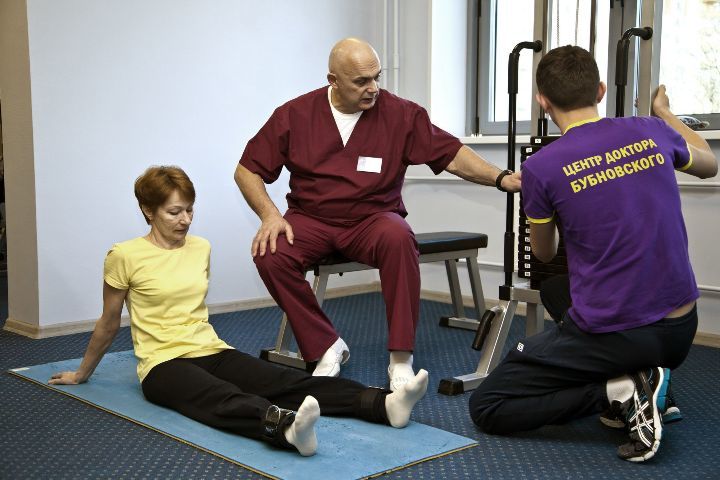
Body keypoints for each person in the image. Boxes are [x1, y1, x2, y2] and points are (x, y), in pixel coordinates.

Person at [49, 166, 429, 457]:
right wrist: (83, 373)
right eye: (174, 212)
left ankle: (383, 404)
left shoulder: (200, 247)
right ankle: (285, 429)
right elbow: (109, 321)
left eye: (190, 210)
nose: (185, 220)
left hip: (211, 349)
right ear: (147, 211)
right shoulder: (124, 255)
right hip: (162, 364)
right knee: (220, 397)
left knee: (284, 382)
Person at [468, 45, 717, 462]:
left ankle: (617, 392)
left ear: (542, 101)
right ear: (600, 90)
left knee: (488, 406)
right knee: (558, 292)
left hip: (621, 334)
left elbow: (544, 254)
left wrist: (554, 204)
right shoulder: (649, 129)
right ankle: (646, 377)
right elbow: (709, 164)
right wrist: (664, 112)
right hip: (682, 328)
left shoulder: (541, 168)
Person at [234, 37, 521, 390]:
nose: (373, 88)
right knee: (271, 251)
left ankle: (401, 358)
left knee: (399, 237)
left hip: (373, 219)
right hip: (311, 218)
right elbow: (247, 170)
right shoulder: (294, 114)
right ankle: (326, 346)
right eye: (361, 82)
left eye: (377, 78)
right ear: (333, 80)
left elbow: (451, 155)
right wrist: (270, 215)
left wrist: (500, 177)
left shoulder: (402, 114)